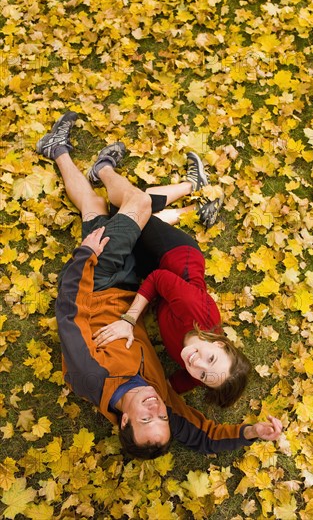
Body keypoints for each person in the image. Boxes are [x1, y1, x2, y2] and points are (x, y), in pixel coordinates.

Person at [36, 111, 283, 460]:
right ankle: (66, 153)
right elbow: (206, 437)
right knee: (98, 208)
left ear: (124, 423)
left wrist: (85, 255)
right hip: (134, 284)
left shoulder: (89, 375)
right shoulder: (159, 397)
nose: (155, 406)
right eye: (162, 415)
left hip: (98, 281)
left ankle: (67, 153)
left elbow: (68, 311)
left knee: (129, 205)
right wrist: (252, 432)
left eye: (146, 417)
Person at [94, 213, 252, 408]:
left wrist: (163, 393)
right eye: (211, 358)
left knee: (114, 234)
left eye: (203, 375)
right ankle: (188, 199)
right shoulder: (193, 308)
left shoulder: (199, 371)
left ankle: (165, 215)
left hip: (163, 291)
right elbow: (157, 278)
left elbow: (183, 381)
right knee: (120, 213)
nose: (197, 363)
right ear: (219, 344)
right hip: (175, 254)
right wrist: (129, 320)